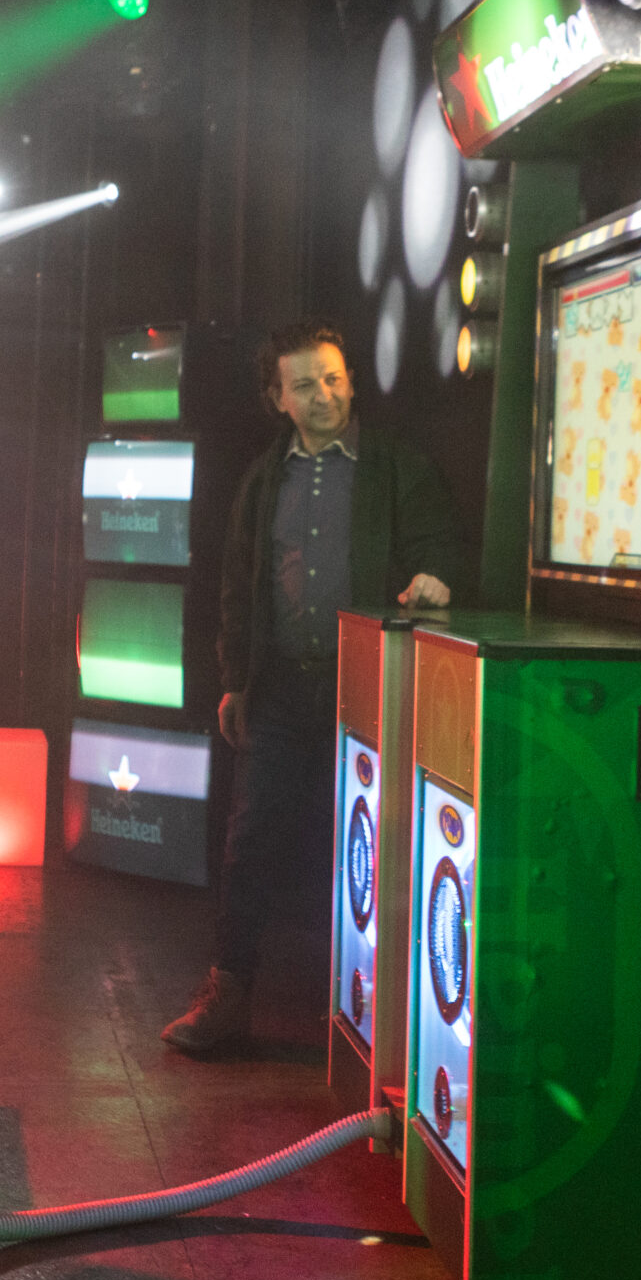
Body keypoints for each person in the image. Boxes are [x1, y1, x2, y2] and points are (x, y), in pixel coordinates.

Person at [162, 318, 467, 1054]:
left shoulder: (398, 466)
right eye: (304, 384)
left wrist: (436, 577)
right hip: (279, 692)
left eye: (332, 377)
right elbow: (239, 588)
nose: (323, 393)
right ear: (278, 398)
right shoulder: (263, 478)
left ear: (351, 380)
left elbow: (442, 548)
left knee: (380, 847)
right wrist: (235, 684)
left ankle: (389, 1020)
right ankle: (227, 998)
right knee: (249, 845)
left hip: (371, 690)